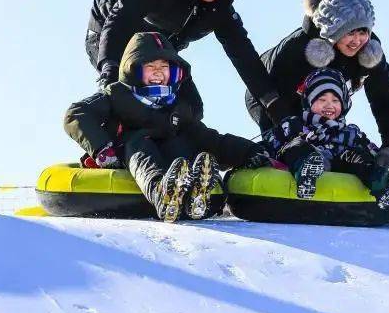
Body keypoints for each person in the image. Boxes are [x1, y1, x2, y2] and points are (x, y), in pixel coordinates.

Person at [85, 0, 291, 123]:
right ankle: (112, 145)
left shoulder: (220, 8)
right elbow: (120, 18)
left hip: (160, 49)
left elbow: (244, 56)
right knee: (134, 93)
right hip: (108, 33)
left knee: (191, 106)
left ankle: (178, 153)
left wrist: (274, 105)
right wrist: (110, 70)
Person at [65, 32, 271, 222]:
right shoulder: (117, 94)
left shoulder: (179, 105)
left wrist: (249, 151)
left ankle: (197, 193)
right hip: (133, 154)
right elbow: (76, 114)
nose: (158, 73)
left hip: (175, 159)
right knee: (139, 143)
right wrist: (103, 150)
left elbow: (209, 138)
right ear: (134, 69)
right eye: (150, 67)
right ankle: (162, 193)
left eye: (164, 67)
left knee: (193, 138)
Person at [245, 0, 389, 166]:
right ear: (333, 31)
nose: (357, 41)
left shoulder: (368, 51)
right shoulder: (298, 49)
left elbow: (385, 100)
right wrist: (291, 145)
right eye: (350, 33)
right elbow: (274, 106)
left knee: (332, 138)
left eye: (363, 32)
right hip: (268, 95)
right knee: (291, 142)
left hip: (319, 98)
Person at [265, 68, 389, 209]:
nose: (329, 105)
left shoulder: (350, 132)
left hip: (340, 163)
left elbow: (371, 149)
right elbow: (274, 142)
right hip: (312, 156)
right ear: (309, 101)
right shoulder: (295, 124)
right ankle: (306, 174)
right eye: (322, 99)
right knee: (296, 146)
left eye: (335, 100)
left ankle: (381, 183)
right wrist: (263, 154)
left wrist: (382, 161)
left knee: (359, 155)